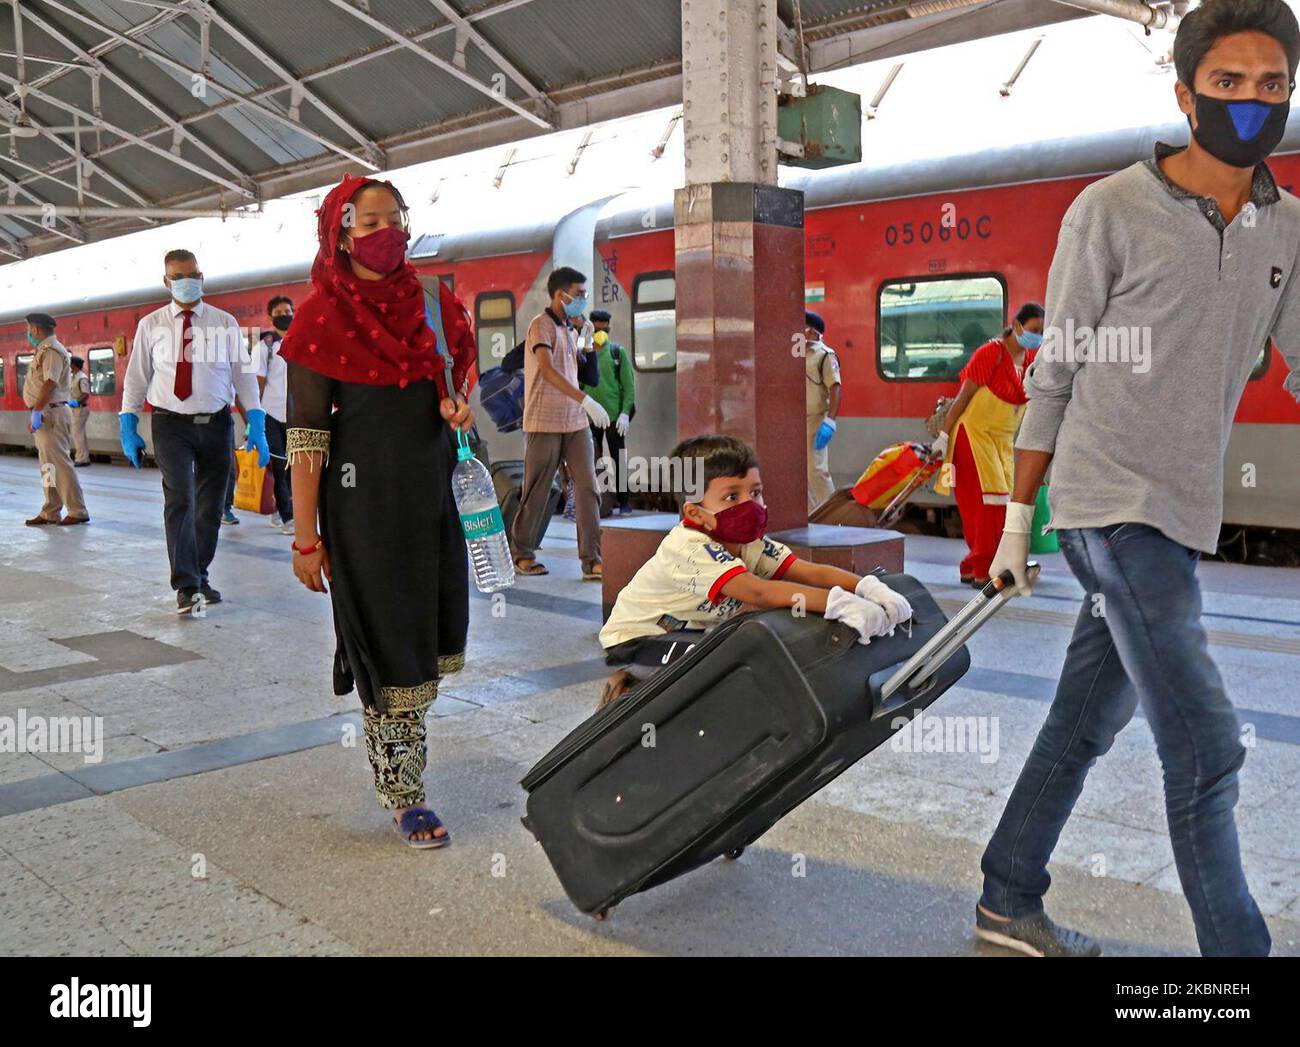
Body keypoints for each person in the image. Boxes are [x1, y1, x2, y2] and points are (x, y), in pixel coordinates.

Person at [979, 0, 1300, 958]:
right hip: (1107, 501)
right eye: (1229, 84)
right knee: (1207, 746)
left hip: (1183, 507)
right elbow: (1057, 372)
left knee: (1086, 718)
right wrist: (1012, 523)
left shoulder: (1286, 228)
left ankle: (1005, 896)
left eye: (1272, 86)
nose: (1251, 104)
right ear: (1185, 92)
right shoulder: (1110, 209)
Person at [281, 174, 477, 849]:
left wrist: (456, 406)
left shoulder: (431, 302)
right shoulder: (320, 316)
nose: (386, 231)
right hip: (363, 506)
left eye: (395, 218)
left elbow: (452, 383)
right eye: (369, 222)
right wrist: (305, 536)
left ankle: (407, 759)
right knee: (390, 649)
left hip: (432, 494)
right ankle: (405, 792)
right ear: (340, 232)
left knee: (429, 638)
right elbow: (307, 436)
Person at [597, 434, 913, 708]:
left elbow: (805, 571)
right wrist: (840, 605)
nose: (751, 504)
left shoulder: (749, 542)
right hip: (639, 639)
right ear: (696, 512)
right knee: (729, 665)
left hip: (689, 631)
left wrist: (867, 588)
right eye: (732, 496)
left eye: (756, 492)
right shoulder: (688, 547)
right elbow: (758, 592)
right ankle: (628, 686)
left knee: (743, 652)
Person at [119, 248, 270, 613]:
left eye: (193, 274)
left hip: (217, 423)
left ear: (201, 277)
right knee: (180, 499)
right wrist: (129, 422)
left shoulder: (224, 322)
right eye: (178, 276)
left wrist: (257, 420)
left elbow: (242, 375)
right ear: (166, 281)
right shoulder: (151, 325)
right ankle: (186, 585)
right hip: (171, 424)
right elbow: (137, 377)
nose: (187, 282)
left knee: (211, 505)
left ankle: (200, 573)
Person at [932, 302, 1044, 586]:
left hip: (1001, 443)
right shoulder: (990, 354)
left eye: (1043, 332)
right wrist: (944, 437)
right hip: (972, 438)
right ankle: (983, 568)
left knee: (1002, 506)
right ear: (1017, 326)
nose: (1038, 336)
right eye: (1034, 330)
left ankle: (975, 565)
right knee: (982, 509)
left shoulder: (1029, 359)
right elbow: (962, 399)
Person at [510, 266, 606, 579]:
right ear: (559, 294)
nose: (582, 300)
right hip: (543, 422)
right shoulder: (542, 327)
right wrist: (585, 401)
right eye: (578, 294)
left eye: (584, 294)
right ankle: (521, 552)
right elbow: (549, 372)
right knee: (537, 490)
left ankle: (591, 559)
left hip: (575, 424)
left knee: (588, 488)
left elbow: (589, 376)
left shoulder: (571, 330)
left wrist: (588, 344)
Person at [22, 312, 89, 527]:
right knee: (47, 465)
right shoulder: (43, 349)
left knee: (60, 463)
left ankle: (77, 510)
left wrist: (37, 410)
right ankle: (51, 509)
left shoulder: (52, 350)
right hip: (44, 412)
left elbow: (50, 383)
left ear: (37, 329)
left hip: (50, 412)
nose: (29, 333)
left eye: (30, 329)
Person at [581, 309, 636, 516]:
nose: (602, 331)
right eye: (598, 327)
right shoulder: (583, 353)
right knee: (593, 460)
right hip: (589, 417)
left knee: (618, 458)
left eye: (606, 327)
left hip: (614, 418)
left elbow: (628, 386)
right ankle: (602, 500)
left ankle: (623, 501)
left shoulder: (616, 352)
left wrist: (625, 412)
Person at [256, 295, 294, 534]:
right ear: (271, 317)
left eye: (288, 311)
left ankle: (282, 509)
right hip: (270, 414)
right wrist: (255, 419)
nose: (284, 315)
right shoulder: (265, 347)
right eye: (279, 313)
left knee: (294, 467)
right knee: (279, 466)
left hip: (295, 414)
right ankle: (289, 517)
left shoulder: (301, 341)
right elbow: (257, 382)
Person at [804, 311, 841, 511]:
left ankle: (832, 515)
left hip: (816, 420)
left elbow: (835, 387)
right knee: (799, 473)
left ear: (810, 330)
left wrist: (830, 421)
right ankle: (811, 515)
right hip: (796, 421)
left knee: (816, 471)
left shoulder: (825, 355)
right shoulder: (796, 354)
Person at [69, 356, 92, 467]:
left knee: (77, 434)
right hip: (76, 409)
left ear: (74, 365)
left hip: (80, 409)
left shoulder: (82, 378)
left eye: (70, 364)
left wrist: (76, 402)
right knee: (80, 434)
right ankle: (84, 457)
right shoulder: (74, 377)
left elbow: (85, 393)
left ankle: (81, 459)